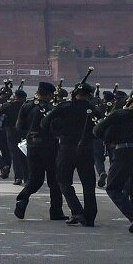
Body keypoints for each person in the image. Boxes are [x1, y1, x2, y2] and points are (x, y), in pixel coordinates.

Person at [92, 91, 133, 234]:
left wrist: (109, 136)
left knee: (113, 187)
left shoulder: (118, 115)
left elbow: (97, 130)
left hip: (124, 151)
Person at [42, 83, 99, 227]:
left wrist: (57, 131)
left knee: (63, 180)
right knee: (88, 184)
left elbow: (45, 123)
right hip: (86, 148)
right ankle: (90, 216)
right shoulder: (93, 109)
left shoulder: (64, 107)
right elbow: (100, 126)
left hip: (67, 147)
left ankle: (77, 211)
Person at [13, 82, 65, 221]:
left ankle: (22, 200)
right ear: (49, 94)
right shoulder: (51, 108)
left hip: (31, 145)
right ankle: (56, 211)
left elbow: (19, 126)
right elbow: (57, 128)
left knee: (35, 179)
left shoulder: (27, 106)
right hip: (49, 146)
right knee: (54, 180)